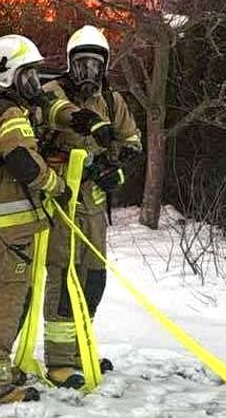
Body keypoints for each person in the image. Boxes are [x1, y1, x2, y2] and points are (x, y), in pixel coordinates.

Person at [0, 34, 113, 405]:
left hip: (6, 222)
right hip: (5, 223)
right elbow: (22, 160)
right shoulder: (6, 111)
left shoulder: (2, 104)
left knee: (14, 296)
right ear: (8, 73)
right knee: (4, 298)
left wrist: (81, 119)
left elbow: (49, 106)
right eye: (27, 75)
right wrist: (56, 184)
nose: (33, 83)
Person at [40, 25, 142, 388]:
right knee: (63, 277)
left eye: (93, 65)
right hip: (61, 203)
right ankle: (60, 362)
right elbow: (58, 112)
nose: (87, 73)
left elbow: (131, 140)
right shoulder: (52, 92)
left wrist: (115, 169)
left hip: (94, 207)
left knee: (93, 279)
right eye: (80, 64)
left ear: (104, 66)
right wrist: (89, 125)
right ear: (69, 65)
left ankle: (82, 346)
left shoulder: (112, 100)